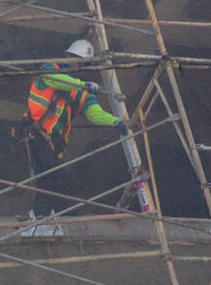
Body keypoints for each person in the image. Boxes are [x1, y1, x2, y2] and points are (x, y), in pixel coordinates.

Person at [17, 39, 128, 215]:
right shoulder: (49, 70)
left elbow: (94, 113)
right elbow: (58, 81)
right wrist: (82, 85)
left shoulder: (81, 92)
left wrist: (116, 122)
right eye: (75, 59)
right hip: (37, 133)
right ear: (67, 56)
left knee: (46, 180)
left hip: (56, 141)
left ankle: (40, 216)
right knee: (55, 177)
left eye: (82, 62)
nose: (77, 64)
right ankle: (66, 216)